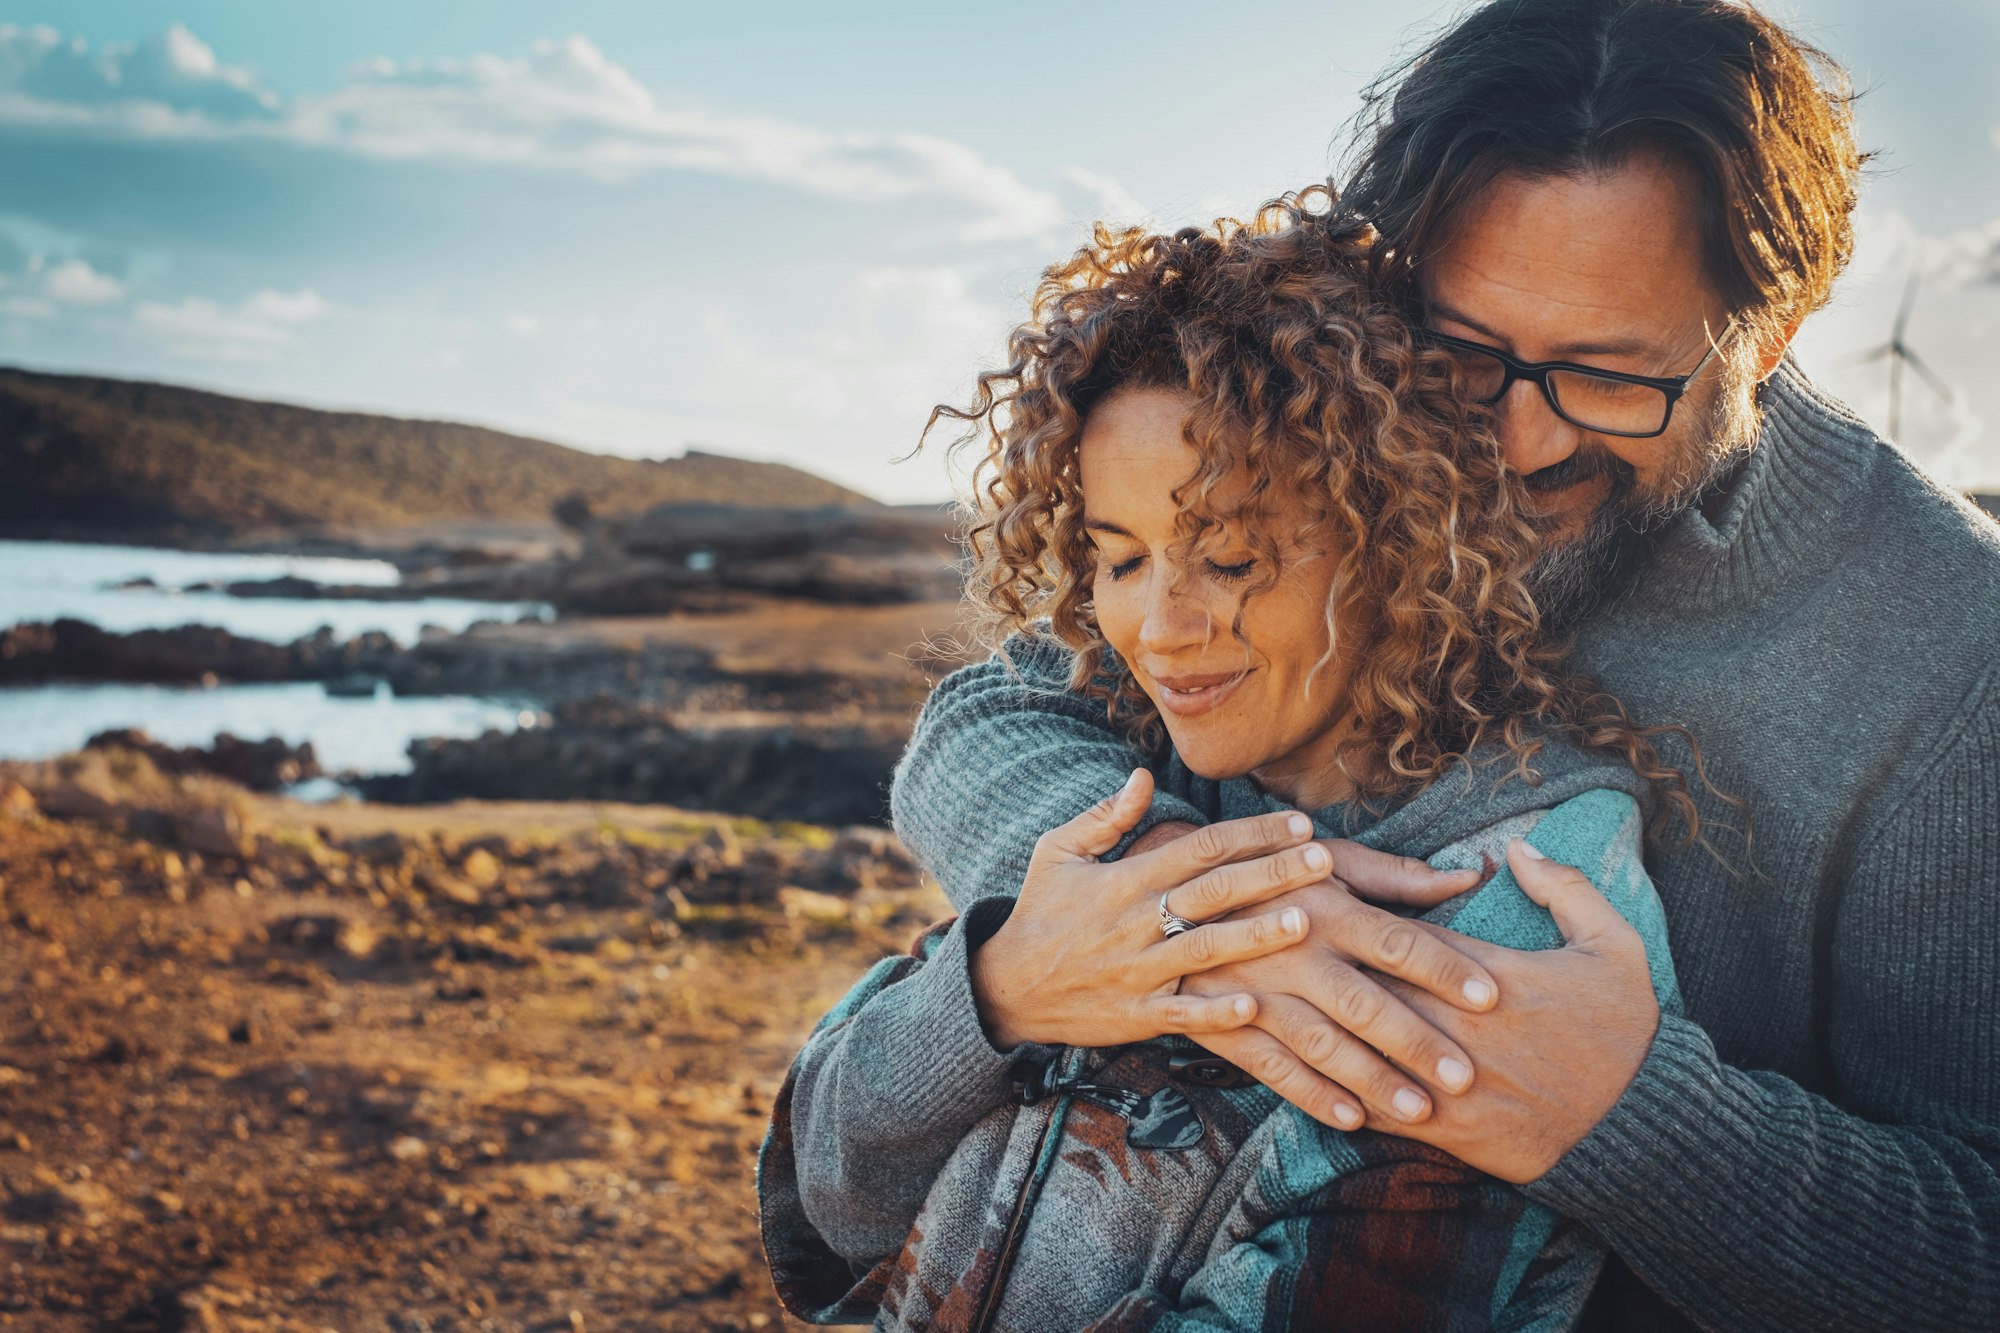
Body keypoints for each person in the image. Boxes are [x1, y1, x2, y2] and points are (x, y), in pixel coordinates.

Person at [891, 1, 2000, 1329]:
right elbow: (997, 706)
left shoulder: (1951, 647)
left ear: (1766, 338)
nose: (1517, 444)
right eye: (1466, 352)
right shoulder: (1370, 444)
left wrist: (1631, 1122)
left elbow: (1973, 1247)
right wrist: (1184, 911)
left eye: (1604, 376)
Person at [761, 197, 1701, 1329]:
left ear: (1397, 544)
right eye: (1117, 559)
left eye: (1230, 557)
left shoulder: (1519, 897)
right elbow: (821, 1208)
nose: (1159, 626)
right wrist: (1004, 988)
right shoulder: (1117, 777)